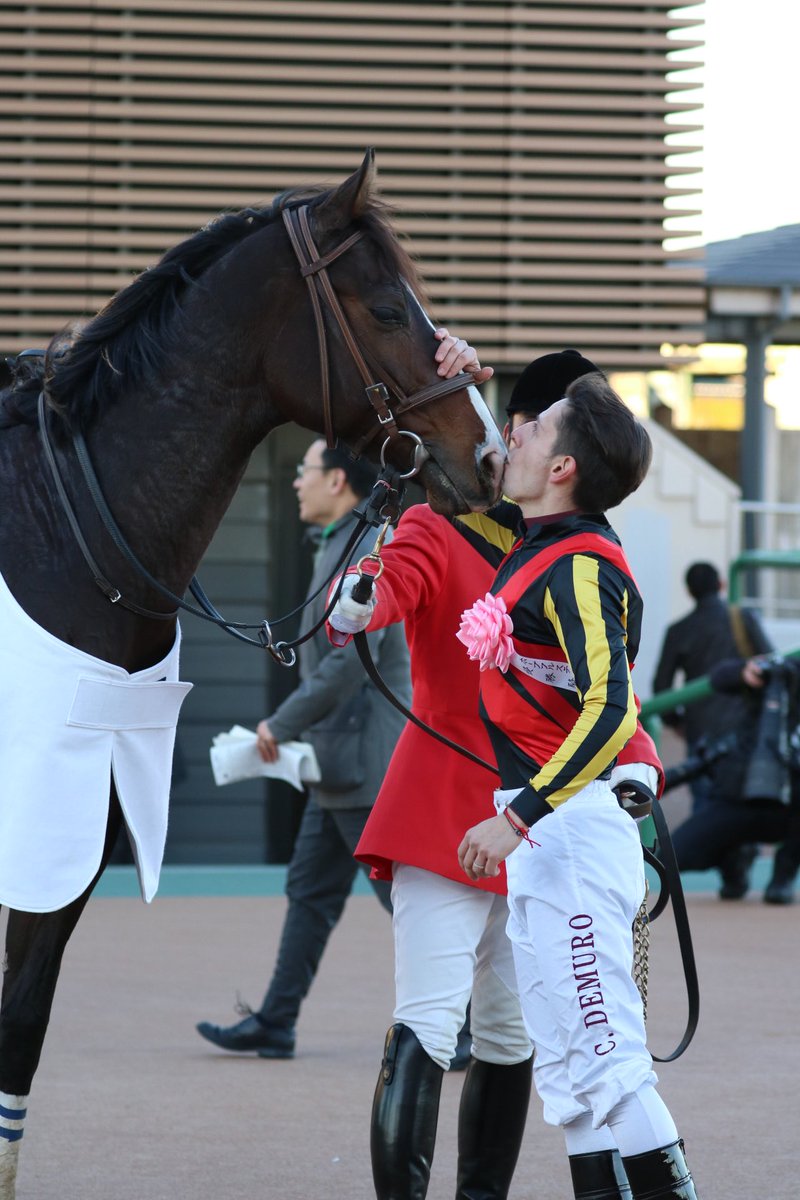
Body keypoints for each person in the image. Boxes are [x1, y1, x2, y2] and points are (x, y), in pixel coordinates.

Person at [329, 336, 663, 1200]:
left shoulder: (564, 546)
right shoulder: (440, 522)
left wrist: (637, 768)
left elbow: (602, 694)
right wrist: (359, 592)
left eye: (526, 426)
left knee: (525, 1039)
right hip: (450, 805)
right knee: (431, 1022)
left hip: (542, 823)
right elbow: (385, 587)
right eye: (516, 422)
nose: (510, 440)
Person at [455, 373, 701, 1199]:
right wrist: (459, 368)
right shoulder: (533, 542)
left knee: (610, 1067)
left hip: (566, 827)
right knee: (567, 1075)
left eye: (534, 429)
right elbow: (465, 453)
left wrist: (518, 817)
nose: (514, 435)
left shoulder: (583, 567)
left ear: (563, 467)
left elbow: (610, 709)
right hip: (548, 836)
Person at [196, 439, 411, 1059]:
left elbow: (343, 668)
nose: (295, 481)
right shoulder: (343, 547)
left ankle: (469, 1028)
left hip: (360, 763)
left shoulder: (358, 553)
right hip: (340, 765)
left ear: (339, 481)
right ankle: (276, 1020)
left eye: (303, 469)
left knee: (407, 903)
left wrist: (280, 725)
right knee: (310, 893)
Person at [652, 561, 772, 898]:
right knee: (742, 798)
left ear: (689, 591)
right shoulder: (742, 618)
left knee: (707, 803)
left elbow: (661, 684)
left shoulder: (679, 629)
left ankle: (728, 872)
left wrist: (676, 722)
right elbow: (769, 661)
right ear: (721, 584)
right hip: (744, 728)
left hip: (701, 730)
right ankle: (738, 866)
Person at [669, 651, 800, 905]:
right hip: (739, 794)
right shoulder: (773, 685)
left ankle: (783, 875)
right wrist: (745, 671)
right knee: (676, 856)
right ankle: (734, 863)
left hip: (790, 805)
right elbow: (720, 677)